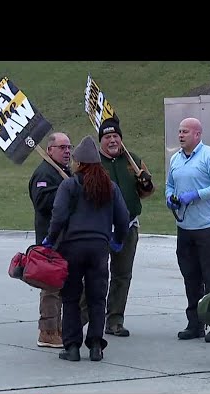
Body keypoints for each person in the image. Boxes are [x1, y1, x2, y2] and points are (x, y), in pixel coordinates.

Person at [43, 135, 129, 362]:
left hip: (71, 248)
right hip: (99, 248)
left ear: (79, 164)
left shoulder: (69, 185)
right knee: (97, 298)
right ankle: (95, 346)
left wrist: (50, 240)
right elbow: (123, 218)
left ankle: (72, 347)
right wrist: (117, 240)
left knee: (71, 297)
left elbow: (58, 216)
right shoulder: (110, 187)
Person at [165, 117, 210, 342]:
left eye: (185, 132)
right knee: (190, 277)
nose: (180, 135)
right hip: (185, 227)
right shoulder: (176, 159)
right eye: (179, 131)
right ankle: (195, 323)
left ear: (197, 135)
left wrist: (196, 195)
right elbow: (170, 184)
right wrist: (169, 197)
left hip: (208, 227)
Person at [93, 117, 155, 337]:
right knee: (94, 274)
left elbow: (146, 192)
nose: (112, 140)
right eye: (108, 137)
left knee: (122, 275)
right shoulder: (93, 163)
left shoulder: (133, 160)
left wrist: (146, 183)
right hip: (100, 228)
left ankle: (115, 320)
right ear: (101, 141)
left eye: (116, 136)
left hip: (128, 227)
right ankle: (83, 319)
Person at [28, 132, 74, 348]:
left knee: (66, 286)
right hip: (50, 239)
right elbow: (43, 202)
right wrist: (67, 191)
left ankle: (59, 327)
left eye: (69, 147)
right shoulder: (44, 173)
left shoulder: (64, 172)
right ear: (50, 150)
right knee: (51, 287)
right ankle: (47, 332)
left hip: (67, 239)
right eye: (62, 147)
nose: (67, 151)